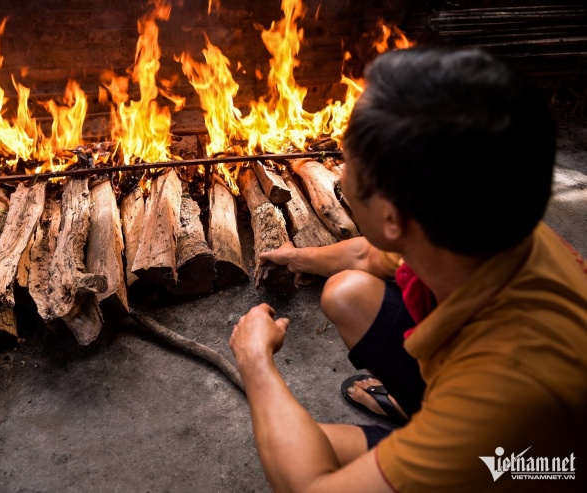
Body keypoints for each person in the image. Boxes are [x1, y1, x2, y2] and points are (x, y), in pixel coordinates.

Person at [229, 47, 587, 493]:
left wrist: (255, 361)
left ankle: (438, 444)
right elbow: (367, 255)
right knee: (346, 292)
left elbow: (310, 489)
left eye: (347, 172)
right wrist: (295, 256)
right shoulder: (479, 223)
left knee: (306, 457)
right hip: (487, 417)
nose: (339, 181)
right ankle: (421, 411)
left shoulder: (508, 390)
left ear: (394, 219)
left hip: (525, 463)